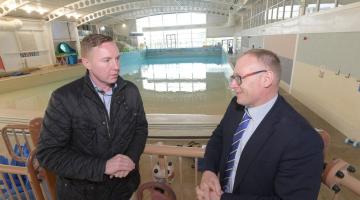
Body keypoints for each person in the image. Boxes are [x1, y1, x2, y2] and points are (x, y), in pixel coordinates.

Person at [196, 49, 324, 200]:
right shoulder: (236, 107)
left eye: (239, 78)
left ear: (266, 79)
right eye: (233, 77)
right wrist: (209, 170)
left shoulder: (303, 139)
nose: (232, 85)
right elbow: (219, 137)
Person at [37, 34, 148, 199]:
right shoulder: (64, 98)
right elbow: (49, 155)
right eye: (106, 60)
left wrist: (130, 158)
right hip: (81, 194)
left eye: (117, 59)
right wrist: (102, 167)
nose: (116, 66)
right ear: (86, 63)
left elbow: (140, 128)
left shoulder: (130, 91)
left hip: (122, 189)